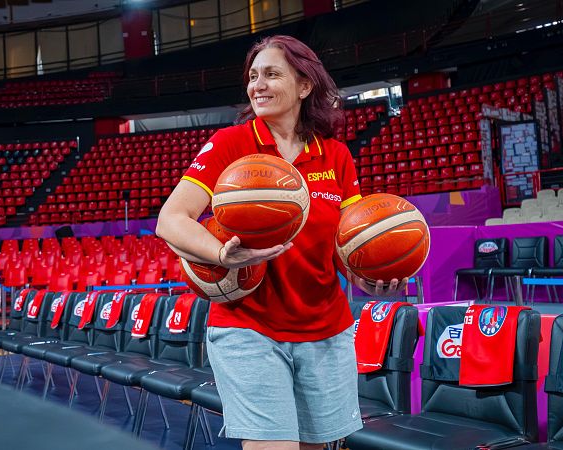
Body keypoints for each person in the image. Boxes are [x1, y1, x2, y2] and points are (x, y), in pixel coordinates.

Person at [156, 35, 405, 450]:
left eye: (272, 74)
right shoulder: (230, 144)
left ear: (305, 85)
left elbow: (347, 244)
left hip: (326, 329)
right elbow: (171, 220)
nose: (258, 85)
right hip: (248, 326)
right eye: (253, 77)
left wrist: (366, 277)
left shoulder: (337, 156)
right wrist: (222, 254)